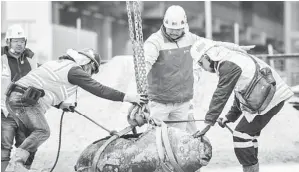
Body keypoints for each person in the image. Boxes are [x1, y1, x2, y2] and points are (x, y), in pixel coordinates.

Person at [5, 48, 148, 171]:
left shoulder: (60, 64)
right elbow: (100, 90)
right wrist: (128, 97)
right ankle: (15, 165)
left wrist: (60, 104)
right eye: (92, 70)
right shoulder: (74, 70)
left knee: (31, 138)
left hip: (19, 98)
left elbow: (45, 88)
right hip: (23, 100)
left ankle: (22, 168)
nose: (90, 74)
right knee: (42, 131)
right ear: (88, 63)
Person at [144, 5, 253, 134]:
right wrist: (140, 96)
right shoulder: (154, 42)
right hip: (159, 103)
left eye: (177, 29)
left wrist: (235, 47)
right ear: (164, 24)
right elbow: (145, 65)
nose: (173, 32)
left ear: (184, 26)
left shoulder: (190, 38)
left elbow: (213, 44)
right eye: (170, 29)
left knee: (179, 141)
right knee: (154, 139)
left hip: (182, 104)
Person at [190, 39, 294, 172]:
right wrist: (230, 117)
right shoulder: (230, 59)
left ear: (206, 57)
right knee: (248, 137)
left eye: (200, 63)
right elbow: (241, 91)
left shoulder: (227, 65)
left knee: (241, 135)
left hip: (271, 99)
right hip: (270, 97)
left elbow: (221, 95)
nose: (202, 67)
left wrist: (208, 123)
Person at [1, 24, 38, 172]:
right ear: (8, 41)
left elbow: (41, 82)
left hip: (26, 112)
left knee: (27, 147)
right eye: (15, 41)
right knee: (4, 147)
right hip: (5, 112)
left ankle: (22, 170)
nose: (19, 44)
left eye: (22, 41)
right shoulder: (1, 59)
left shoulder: (31, 60)